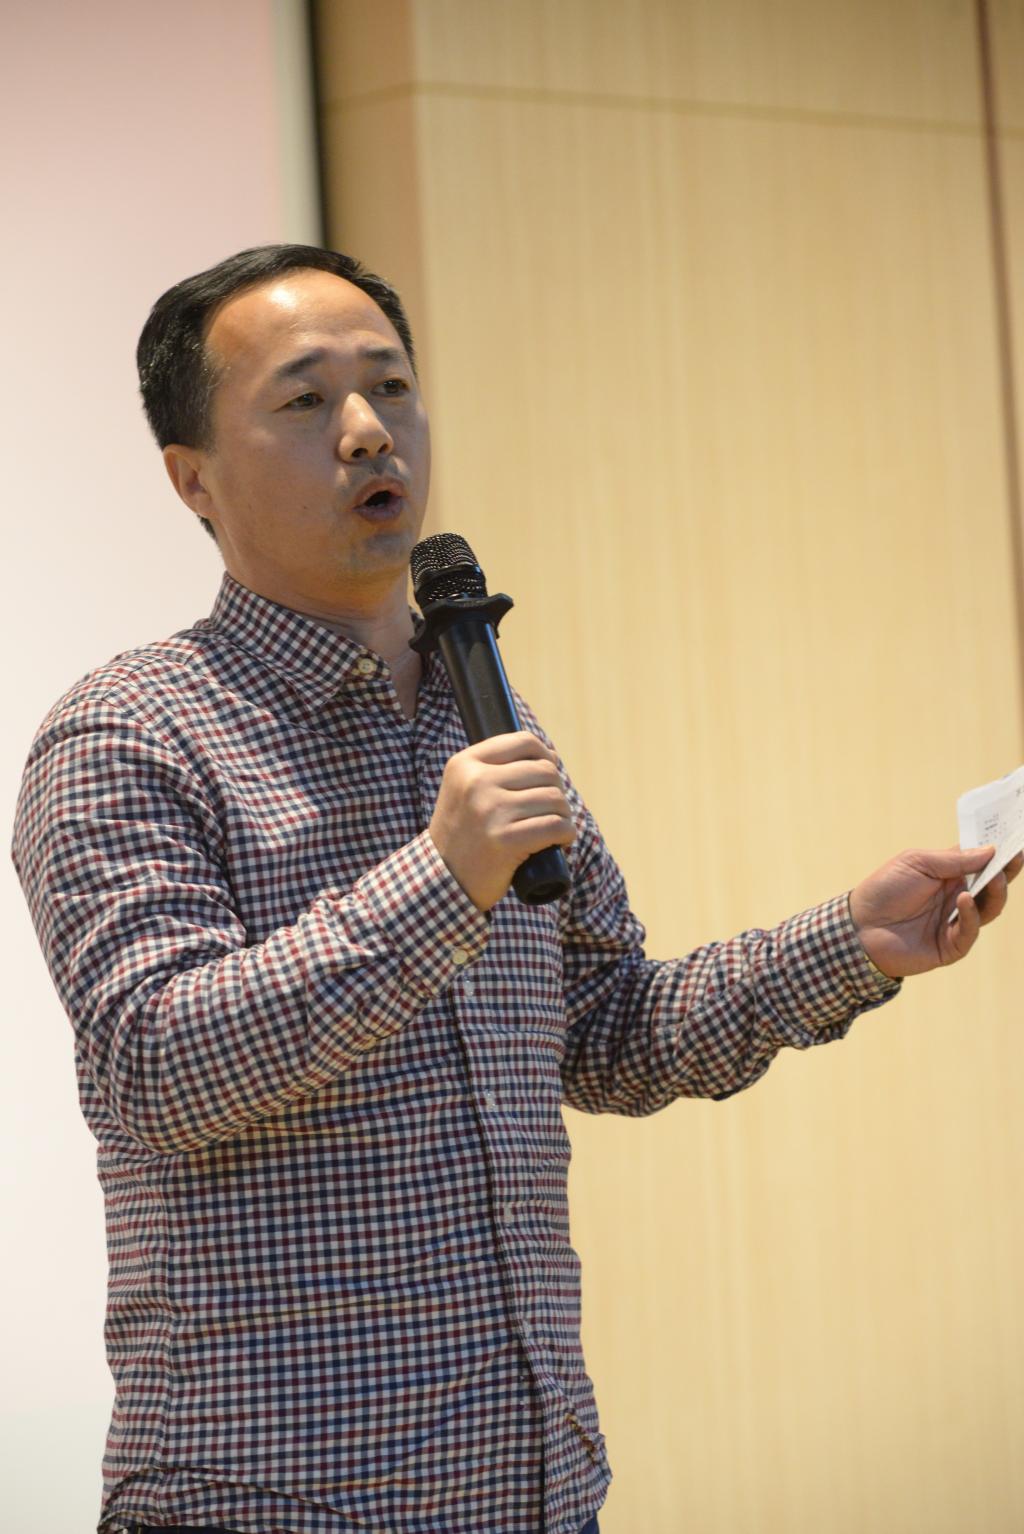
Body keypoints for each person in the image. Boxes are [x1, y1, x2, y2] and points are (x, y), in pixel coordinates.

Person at [12, 244, 1019, 1534]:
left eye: (391, 386)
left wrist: (851, 942)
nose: (369, 429)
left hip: (536, 1493)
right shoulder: (127, 736)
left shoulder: (482, 712)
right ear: (192, 478)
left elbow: (608, 1034)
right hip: (266, 1504)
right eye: (306, 400)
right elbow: (160, 1066)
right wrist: (441, 879)